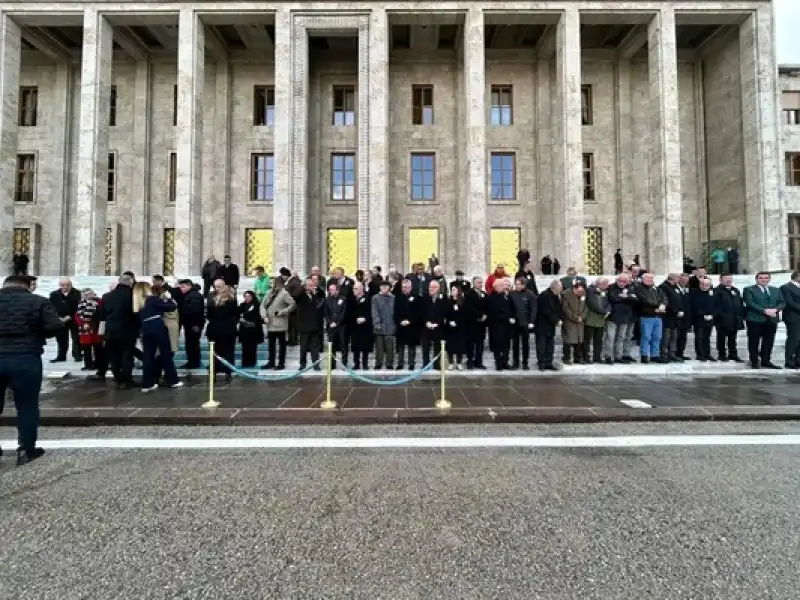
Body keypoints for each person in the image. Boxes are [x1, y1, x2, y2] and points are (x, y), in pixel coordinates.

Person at [0, 275, 63, 465]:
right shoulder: (38, 301)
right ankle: (26, 449)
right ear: (27, 286)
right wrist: (36, 332)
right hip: (25, 357)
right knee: (27, 405)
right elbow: (55, 326)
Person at [132, 281, 182, 392]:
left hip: (146, 330)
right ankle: (173, 380)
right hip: (158, 328)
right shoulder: (152, 299)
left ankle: (147, 383)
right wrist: (168, 298)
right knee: (166, 354)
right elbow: (171, 307)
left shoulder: (138, 303)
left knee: (148, 357)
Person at [93, 274, 140, 388]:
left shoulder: (106, 296)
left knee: (114, 356)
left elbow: (102, 315)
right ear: (130, 282)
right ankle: (126, 380)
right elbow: (136, 314)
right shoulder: (133, 296)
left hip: (111, 331)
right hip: (128, 330)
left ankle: (118, 378)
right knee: (127, 355)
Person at [743, 272, 784, 369]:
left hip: (772, 319)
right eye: (761, 278)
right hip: (755, 319)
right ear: (756, 279)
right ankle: (754, 361)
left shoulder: (775, 290)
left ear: (769, 279)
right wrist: (765, 311)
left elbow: (782, 302)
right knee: (754, 341)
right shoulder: (749, 290)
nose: (764, 280)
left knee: (768, 341)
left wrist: (776, 309)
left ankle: (766, 361)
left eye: (766, 278)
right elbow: (750, 303)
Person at [206, 280, 238, 381]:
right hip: (227, 330)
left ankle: (215, 372)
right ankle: (227, 372)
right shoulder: (232, 301)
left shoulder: (213, 301)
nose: (217, 289)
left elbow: (209, 315)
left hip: (215, 330)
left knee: (216, 352)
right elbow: (235, 315)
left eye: (218, 287)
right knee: (227, 352)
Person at [261, 278, 296, 370]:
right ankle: (271, 362)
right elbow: (262, 305)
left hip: (280, 324)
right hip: (270, 323)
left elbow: (293, 304)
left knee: (281, 345)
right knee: (271, 345)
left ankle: (281, 363)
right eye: (270, 283)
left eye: (273, 283)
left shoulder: (284, 293)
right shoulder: (269, 293)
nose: (271, 284)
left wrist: (283, 312)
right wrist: (264, 316)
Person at [49, 278, 82, 363]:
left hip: (73, 318)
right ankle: (61, 356)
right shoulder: (54, 294)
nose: (65, 287)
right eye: (63, 285)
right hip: (60, 318)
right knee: (61, 338)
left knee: (76, 338)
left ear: (71, 285)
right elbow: (51, 307)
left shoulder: (77, 293)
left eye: (67, 285)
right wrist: (57, 317)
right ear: (60, 285)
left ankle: (77, 355)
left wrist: (70, 316)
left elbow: (79, 307)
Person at [714, 273, 745, 362]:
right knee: (721, 338)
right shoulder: (717, 291)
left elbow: (740, 303)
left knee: (733, 338)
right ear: (720, 280)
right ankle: (722, 354)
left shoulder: (735, 290)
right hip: (722, 319)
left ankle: (733, 354)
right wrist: (720, 316)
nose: (728, 280)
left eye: (730, 278)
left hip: (735, 318)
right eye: (726, 278)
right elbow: (716, 306)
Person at [296, 277, 324, 370]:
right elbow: (295, 294)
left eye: (313, 285)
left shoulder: (314, 295)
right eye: (310, 285)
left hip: (314, 325)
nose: (313, 287)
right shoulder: (301, 295)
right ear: (305, 286)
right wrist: (303, 286)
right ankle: (302, 363)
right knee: (303, 346)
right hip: (304, 326)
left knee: (315, 347)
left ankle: (315, 364)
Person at [535, 280, 563, 371]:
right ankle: (541, 363)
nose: (561, 289)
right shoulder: (544, 295)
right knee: (542, 345)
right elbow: (546, 311)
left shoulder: (556, 296)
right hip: (542, 324)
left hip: (550, 325)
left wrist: (558, 319)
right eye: (560, 287)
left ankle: (549, 362)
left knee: (550, 345)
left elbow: (557, 309)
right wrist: (556, 320)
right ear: (554, 287)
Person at [509, 277, 537, 370]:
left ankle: (525, 362)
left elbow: (533, 308)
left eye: (518, 284)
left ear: (523, 285)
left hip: (525, 322)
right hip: (515, 323)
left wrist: (532, 321)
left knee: (525, 344)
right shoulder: (511, 294)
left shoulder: (530, 294)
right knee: (515, 344)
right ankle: (515, 362)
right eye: (515, 284)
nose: (516, 285)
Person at [177, 279, 205, 369]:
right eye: (181, 287)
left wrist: (194, 324)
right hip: (190, 324)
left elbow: (195, 311)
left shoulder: (193, 295)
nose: (182, 289)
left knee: (192, 344)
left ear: (189, 285)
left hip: (193, 325)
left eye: (183, 286)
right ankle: (192, 361)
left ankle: (193, 362)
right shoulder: (190, 295)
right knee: (191, 344)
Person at [420, 279, 447, 369]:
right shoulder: (424, 297)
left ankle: (436, 364)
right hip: (426, 326)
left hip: (438, 327)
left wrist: (437, 323)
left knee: (437, 347)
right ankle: (426, 364)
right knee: (425, 346)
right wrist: (426, 322)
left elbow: (444, 313)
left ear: (438, 288)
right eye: (430, 287)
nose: (432, 289)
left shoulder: (443, 298)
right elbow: (421, 312)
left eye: (434, 287)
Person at [75, 288, 105, 372]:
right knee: (86, 347)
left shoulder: (99, 302)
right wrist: (82, 324)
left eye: (90, 294)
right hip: (85, 328)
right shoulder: (81, 303)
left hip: (96, 327)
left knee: (98, 347)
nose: (89, 296)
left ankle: (99, 363)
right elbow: (77, 315)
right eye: (86, 294)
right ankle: (88, 364)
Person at [486, 279, 514, 370]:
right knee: (497, 346)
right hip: (497, 326)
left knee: (506, 345)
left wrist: (512, 316)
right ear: (496, 286)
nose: (504, 287)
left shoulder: (505, 296)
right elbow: (494, 313)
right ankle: (498, 363)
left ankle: (505, 362)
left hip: (506, 326)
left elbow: (510, 308)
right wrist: (507, 318)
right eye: (501, 285)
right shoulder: (492, 297)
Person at [394, 278, 419, 370]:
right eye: (403, 287)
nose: (405, 289)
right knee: (400, 346)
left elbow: (418, 312)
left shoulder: (416, 297)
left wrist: (410, 321)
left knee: (411, 346)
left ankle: (411, 363)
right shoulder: (398, 297)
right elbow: (396, 311)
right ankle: (400, 363)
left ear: (411, 287)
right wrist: (400, 321)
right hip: (401, 325)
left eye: (407, 287)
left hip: (412, 325)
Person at [347, 282, 373, 369]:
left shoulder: (368, 299)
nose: (353, 290)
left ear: (361, 289)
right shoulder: (351, 300)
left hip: (366, 326)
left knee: (365, 346)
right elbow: (348, 313)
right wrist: (355, 319)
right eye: (353, 288)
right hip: (355, 326)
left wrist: (365, 319)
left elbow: (371, 312)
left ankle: (365, 364)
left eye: (356, 289)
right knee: (355, 346)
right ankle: (356, 363)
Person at [690, 278, 716, 361]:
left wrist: (712, 315)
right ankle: (700, 355)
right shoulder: (694, 293)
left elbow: (717, 305)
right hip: (699, 319)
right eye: (703, 284)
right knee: (699, 337)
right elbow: (693, 306)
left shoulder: (712, 293)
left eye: (707, 285)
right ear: (700, 284)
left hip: (710, 319)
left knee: (707, 337)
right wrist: (703, 315)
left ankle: (707, 354)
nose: (705, 286)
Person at [464, 276, 488, 369]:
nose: (480, 284)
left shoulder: (484, 294)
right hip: (471, 322)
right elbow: (469, 308)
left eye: (481, 282)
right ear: (473, 283)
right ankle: (470, 361)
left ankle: (479, 361)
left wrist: (485, 315)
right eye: (478, 282)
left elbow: (487, 306)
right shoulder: (468, 294)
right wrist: (480, 315)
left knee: (480, 344)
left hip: (481, 324)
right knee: (470, 343)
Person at [561, 282, 587, 364]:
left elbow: (586, 307)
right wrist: (575, 318)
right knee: (569, 340)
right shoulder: (565, 294)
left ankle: (578, 358)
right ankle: (567, 358)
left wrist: (582, 317)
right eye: (579, 291)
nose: (580, 293)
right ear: (574, 289)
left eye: (582, 291)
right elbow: (565, 309)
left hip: (580, 321)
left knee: (579, 340)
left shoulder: (584, 294)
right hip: (570, 321)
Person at [371, 280, 395, 369]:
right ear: (380, 287)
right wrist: (377, 323)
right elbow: (374, 311)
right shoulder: (375, 298)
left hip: (390, 325)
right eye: (382, 286)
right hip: (379, 325)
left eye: (386, 286)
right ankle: (378, 363)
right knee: (379, 346)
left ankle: (389, 363)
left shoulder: (393, 297)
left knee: (390, 346)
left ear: (389, 288)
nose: (384, 288)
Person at [238, 291, 264, 368]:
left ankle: (252, 362)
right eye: (245, 296)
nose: (247, 298)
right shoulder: (242, 305)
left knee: (252, 347)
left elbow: (258, 318)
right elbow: (239, 315)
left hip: (254, 330)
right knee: (245, 347)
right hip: (244, 330)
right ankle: (245, 362)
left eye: (248, 296)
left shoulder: (257, 305)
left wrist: (246, 316)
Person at [324, 282, 349, 366]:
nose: (330, 291)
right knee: (331, 345)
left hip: (341, 326)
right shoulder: (327, 299)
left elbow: (344, 313)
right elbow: (326, 313)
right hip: (331, 326)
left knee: (343, 345)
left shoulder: (344, 299)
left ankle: (344, 363)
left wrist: (337, 323)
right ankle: (332, 364)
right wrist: (330, 322)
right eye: (329, 290)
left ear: (337, 290)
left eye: (332, 290)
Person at [445, 284, 468, 369]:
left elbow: (464, 314)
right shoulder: (448, 301)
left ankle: (459, 362)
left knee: (459, 345)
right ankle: (450, 362)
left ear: (458, 291)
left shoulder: (462, 301)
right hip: (450, 327)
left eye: (454, 290)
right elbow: (446, 313)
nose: (452, 291)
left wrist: (457, 322)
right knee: (450, 346)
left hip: (460, 327)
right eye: (452, 290)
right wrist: (449, 322)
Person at [781, 271, 800, 369]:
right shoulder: (786, 287)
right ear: (797, 276)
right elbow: (789, 302)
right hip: (793, 317)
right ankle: (789, 361)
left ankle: (798, 360)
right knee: (794, 339)